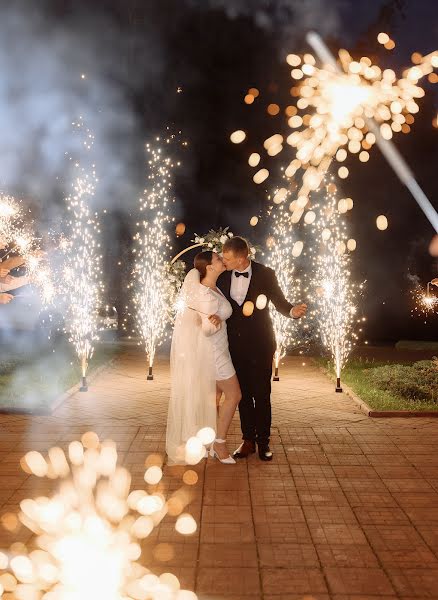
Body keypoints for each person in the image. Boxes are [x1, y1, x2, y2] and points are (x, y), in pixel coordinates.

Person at [218, 236, 307, 461]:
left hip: (260, 344)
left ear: (242, 258)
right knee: (243, 395)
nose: (223, 260)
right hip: (232, 346)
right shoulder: (223, 275)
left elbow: (279, 301)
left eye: (227, 258)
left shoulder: (266, 273)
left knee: (262, 394)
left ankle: (263, 443)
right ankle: (247, 440)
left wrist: (292, 311)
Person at [166, 251, 241, 465]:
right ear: (209, 267)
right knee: (234, 395)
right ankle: (219, 443)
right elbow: (207, 330)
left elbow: (221, 313)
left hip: (220, 349)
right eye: (218, 259)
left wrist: (218, 317)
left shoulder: (212, 288)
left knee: (213, 400)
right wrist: (208, 323)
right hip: (214, 354)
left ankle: (208, 442)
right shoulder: (205, 296)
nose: (222, 260)